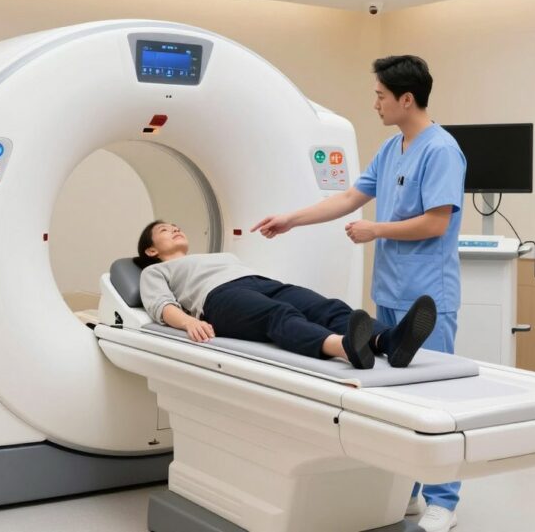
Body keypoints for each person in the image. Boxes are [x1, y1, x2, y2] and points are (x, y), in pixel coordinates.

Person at [251, 55, 465, 532]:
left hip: (428, 292)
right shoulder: (393, 147)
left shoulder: (441, 150)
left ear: (405, 98)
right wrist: (292, 219)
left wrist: (375, 231)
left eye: (380, 96)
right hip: (390, 288)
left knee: (435, 397)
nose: (375, 103)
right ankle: (406, 488)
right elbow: (349, 197)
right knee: (398, 397)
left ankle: (444, 499)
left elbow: (436, 221)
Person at [134, 220, 436, 370]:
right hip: (218, 299)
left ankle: (388, 340)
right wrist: (188, 322)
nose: (174, 229)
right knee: (278, 316)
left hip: (257, 281)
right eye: (164, 230)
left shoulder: (219, 256)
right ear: (151, 250)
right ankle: (344, 348)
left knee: (325, 307)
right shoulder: (155, 272)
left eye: (176, 226)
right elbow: (162, 306)